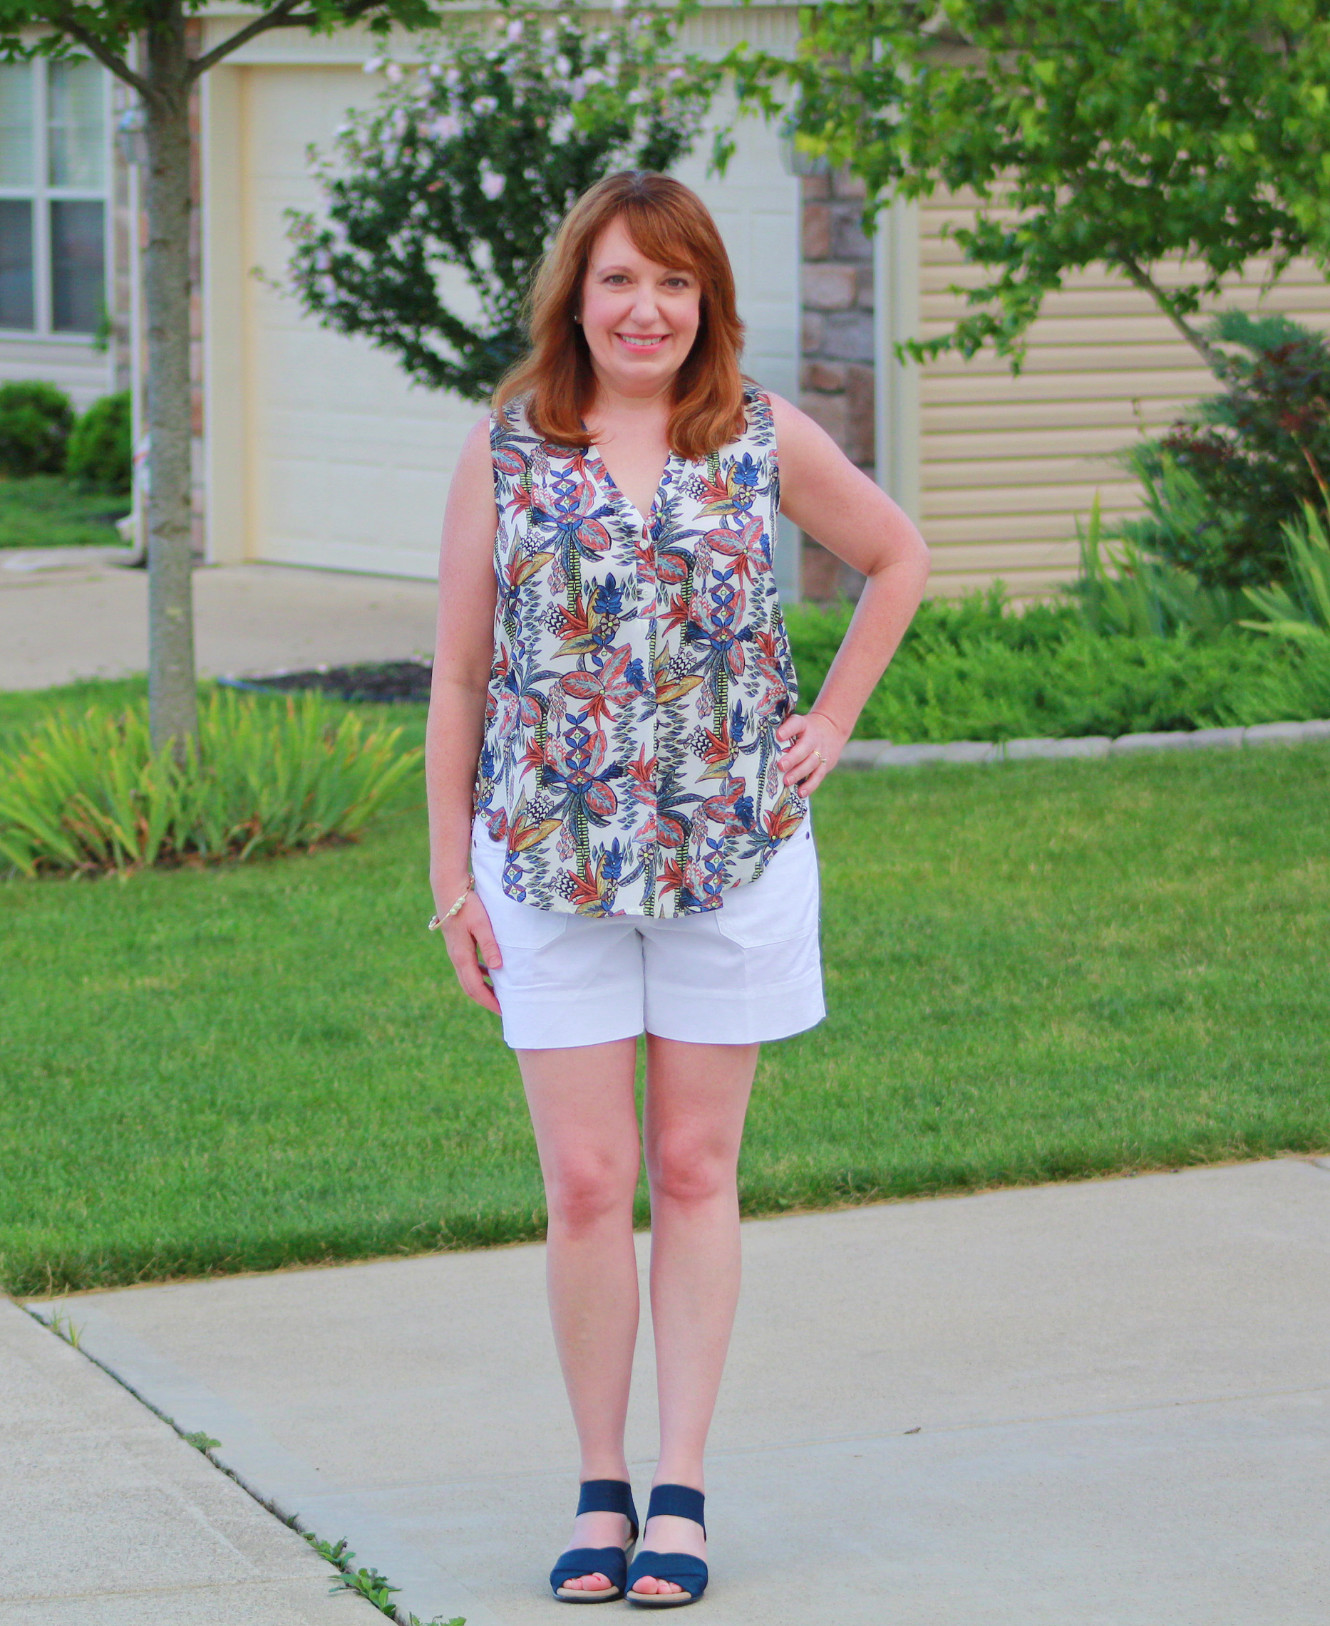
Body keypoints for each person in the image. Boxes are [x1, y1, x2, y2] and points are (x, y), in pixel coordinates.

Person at [425, 170, 929, 1608]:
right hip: (544, 865)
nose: (644, 308)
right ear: (574, 297)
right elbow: (458, 675)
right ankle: (598, 1484)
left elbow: (895, 557)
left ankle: (685, 1489)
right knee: (588, 1183)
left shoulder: (757, 434)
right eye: (618, 280)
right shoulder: (510, 450)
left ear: (705, 300)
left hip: (732, 860)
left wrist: (827, 721)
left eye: (673, 282)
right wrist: (447, 876)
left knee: (696, 1170)